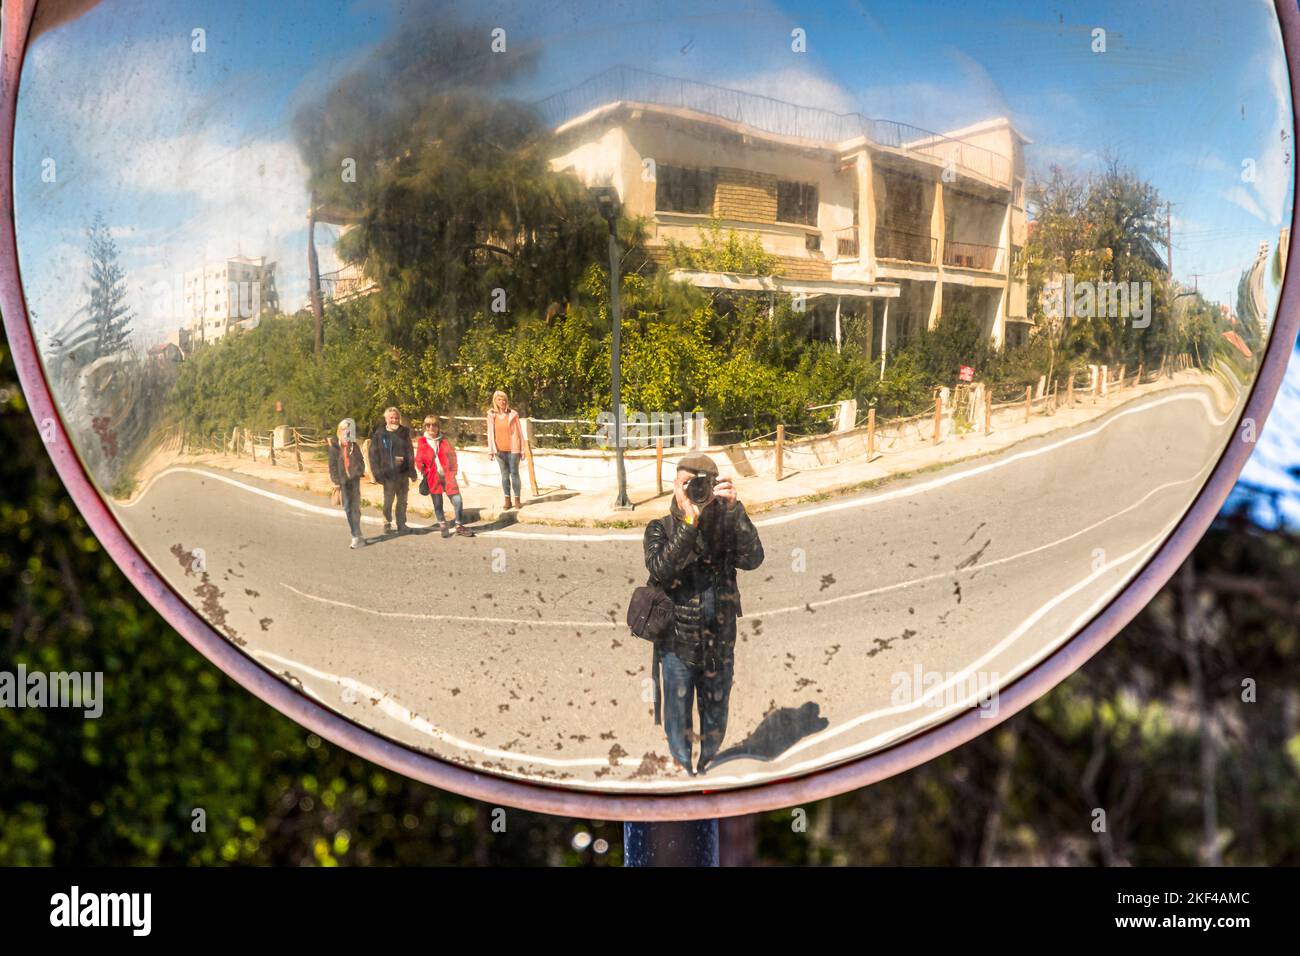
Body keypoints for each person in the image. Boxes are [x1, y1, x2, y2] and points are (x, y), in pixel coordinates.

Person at [643, 453, 764, 775]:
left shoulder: (726, 524)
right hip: (676, 646)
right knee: (677, 715)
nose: (694, 490)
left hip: (720, 644)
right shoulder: (661, 528)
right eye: (687, 484)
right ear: (675, 486)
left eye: (701, 483)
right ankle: (684, 765)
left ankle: (708, 758)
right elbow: (661, 569)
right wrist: (689, 522)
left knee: (715, 712)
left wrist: (736, 510)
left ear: (714, 485)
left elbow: (754, 559)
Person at [415, 415, 474, 538]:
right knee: (438, 503)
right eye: (428, 425)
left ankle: (458, 525)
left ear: (438, 427)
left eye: (434, 425)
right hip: (433, 478)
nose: (431, 427)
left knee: (457, 500)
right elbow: (418, 460)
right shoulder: (422, 442)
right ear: (425, 427)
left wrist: (453, 472)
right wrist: (425, 471)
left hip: (447, 476)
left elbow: (453, 457)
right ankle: (442, 524)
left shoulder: (444, 441)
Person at [368, 406, 416, 534]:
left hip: (403, 473)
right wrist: (377, 473)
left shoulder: (404, 432)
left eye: (396, 418)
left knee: (402, 501)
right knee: (388, 501)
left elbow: (410, 451)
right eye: (391, 418)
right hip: (388, 474)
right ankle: (386, 522)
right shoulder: (379, 433)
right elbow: (373, 455)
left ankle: (401, 524)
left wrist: (412, 471)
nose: (394, 420)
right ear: (386, 419)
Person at [328, 418, 367, 549]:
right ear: (339, 431)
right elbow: (332, 466)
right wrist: (336, 482)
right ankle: (355, 535)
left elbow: (361, 461)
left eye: (349, 430)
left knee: (356, 508)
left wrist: (359, 471)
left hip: (354, 481)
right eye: (344, 429)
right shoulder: (334, 447)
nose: (347, 432)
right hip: (343, 483)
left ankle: (358, 532)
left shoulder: (354, 446)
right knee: (348, 508)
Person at [486, 390, 525, 512]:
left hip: (513, 449)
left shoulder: (513, 414)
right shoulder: (491, 415)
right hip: (499, 450)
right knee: (504, 475)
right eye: (499, 399)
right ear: (495, 401)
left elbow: (520, 432)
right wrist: (490, 450)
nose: (502, 402)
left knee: (514, 474)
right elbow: (490, 434)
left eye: (504, 400)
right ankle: (507, 500)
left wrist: (522, 449)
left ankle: (517, 499)